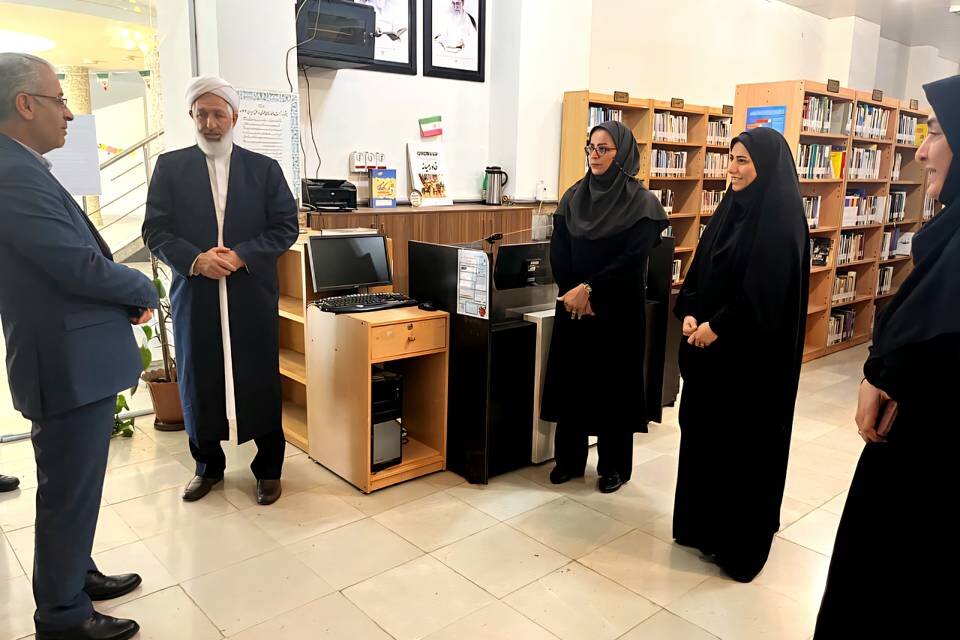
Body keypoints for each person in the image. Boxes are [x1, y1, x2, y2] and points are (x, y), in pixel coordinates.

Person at [0, 52, 159, 640]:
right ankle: (64, 615)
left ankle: (75, 575)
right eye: (59, 99)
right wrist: (141, 287)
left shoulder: (23, 165)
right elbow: (75, 265)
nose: (69, 113)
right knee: (67, 491)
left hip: (74, 358)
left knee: (76, 486)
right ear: (25, 104)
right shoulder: (12, 172)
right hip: (64, 364)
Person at [814, 74, 960, 638]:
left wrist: (888, 376)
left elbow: (935, 346)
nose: (920, 152)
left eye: (938, 132)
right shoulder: (947, 233)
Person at [143, 76, 299, 506]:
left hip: (250, 293)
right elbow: (155, 230)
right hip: (196, 292)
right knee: (200, 378)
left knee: (259, 378)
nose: (210, 123)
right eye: (202, 114)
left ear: (234, 117)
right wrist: (196, 259)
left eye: (218, 114)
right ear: (191, 116)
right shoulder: (171, 167)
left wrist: (242, 255)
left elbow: (285, 226)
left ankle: (269, 469)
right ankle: (207, 466)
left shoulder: (264, 169)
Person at [672, 127, 809, 582]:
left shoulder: (782, 222)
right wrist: (691, 313)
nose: (732, 168)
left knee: (743, 453)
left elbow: (766, 295)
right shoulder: (728, 210)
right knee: (705, 442)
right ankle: (701, 528)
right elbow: (700, 273)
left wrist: (719, 328)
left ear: (765, 166)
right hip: (710, 359)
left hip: (751, 368)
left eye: (743, 160)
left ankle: (737, 544)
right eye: (730, 158)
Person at [541, 120, 668, 494]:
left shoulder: (642, 203)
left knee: (614, 388)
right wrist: (573, 291)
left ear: (623, 153)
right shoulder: (573, 196)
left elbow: (632, 259)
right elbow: (559, 250)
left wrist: (590, 288)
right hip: (575, 309)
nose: (594, 155)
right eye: (591, 147)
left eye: (603, 149)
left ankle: (614, 467)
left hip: (617, 310)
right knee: (573, 383)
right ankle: (569, 460)